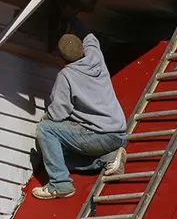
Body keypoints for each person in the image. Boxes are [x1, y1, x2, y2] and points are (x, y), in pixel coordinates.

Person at [32, 30, 128, 200]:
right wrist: (71, 19)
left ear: (62, 59)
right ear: (83, 48)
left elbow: (58, 113)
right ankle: (110, 158)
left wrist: (44, 122)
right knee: (60, 158)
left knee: (46, 130)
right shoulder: (95, 55)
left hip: (98, 137)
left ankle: (60, 185)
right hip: (118, 134)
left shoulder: (66, 75)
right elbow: (90, 36)